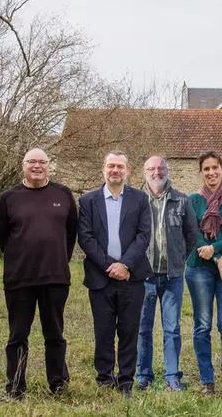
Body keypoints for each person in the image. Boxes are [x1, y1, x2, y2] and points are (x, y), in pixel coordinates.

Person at [0, 149, 78, 402]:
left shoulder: (63, 195)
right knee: (18, 335)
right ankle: (16, 386)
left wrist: (57, 259)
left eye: (42, 162)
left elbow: (70, 234)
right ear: (23, 165)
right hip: (20, 279)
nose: (37, 166)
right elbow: (2, 237)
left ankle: (58, 383)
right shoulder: (9, 198)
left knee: (54, 334)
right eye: (32, 161)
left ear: (49, 166)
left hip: (55, 277)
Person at [77, 150, 151, 399]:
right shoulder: (88, 201)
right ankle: (104, 378)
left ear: (128, 170)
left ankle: (126, 380)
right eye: (111, 166)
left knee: (129, 330)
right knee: (103, 330)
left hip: (132, 277)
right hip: (101, 277)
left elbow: (143, 236)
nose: (115, 170)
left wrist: (125, 265)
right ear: (103, 168)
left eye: (120, 166)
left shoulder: (140, 199)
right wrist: (111, 266)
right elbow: (85, 238)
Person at [185, 151, 222, 399]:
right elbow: (192, 234)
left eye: (215, 167)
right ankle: (207, 380)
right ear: (201, 172)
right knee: (202, 325)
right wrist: (217, 257)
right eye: (206, 169)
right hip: (199, 268)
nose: (211, 172)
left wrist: (217, 250)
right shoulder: (193, 200)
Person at [135, 156, 197, 392]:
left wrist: (179, 259)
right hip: (144, 276)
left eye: (160, 168)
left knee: (171, 328)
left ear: (167, 171)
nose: (156, 172)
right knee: (143, 327)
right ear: (144, 172)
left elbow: (191, 235)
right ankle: (144, 376)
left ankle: (172, 377)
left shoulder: (182, 200)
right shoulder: (137, 200)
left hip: (172, 277)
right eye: (151, 168)